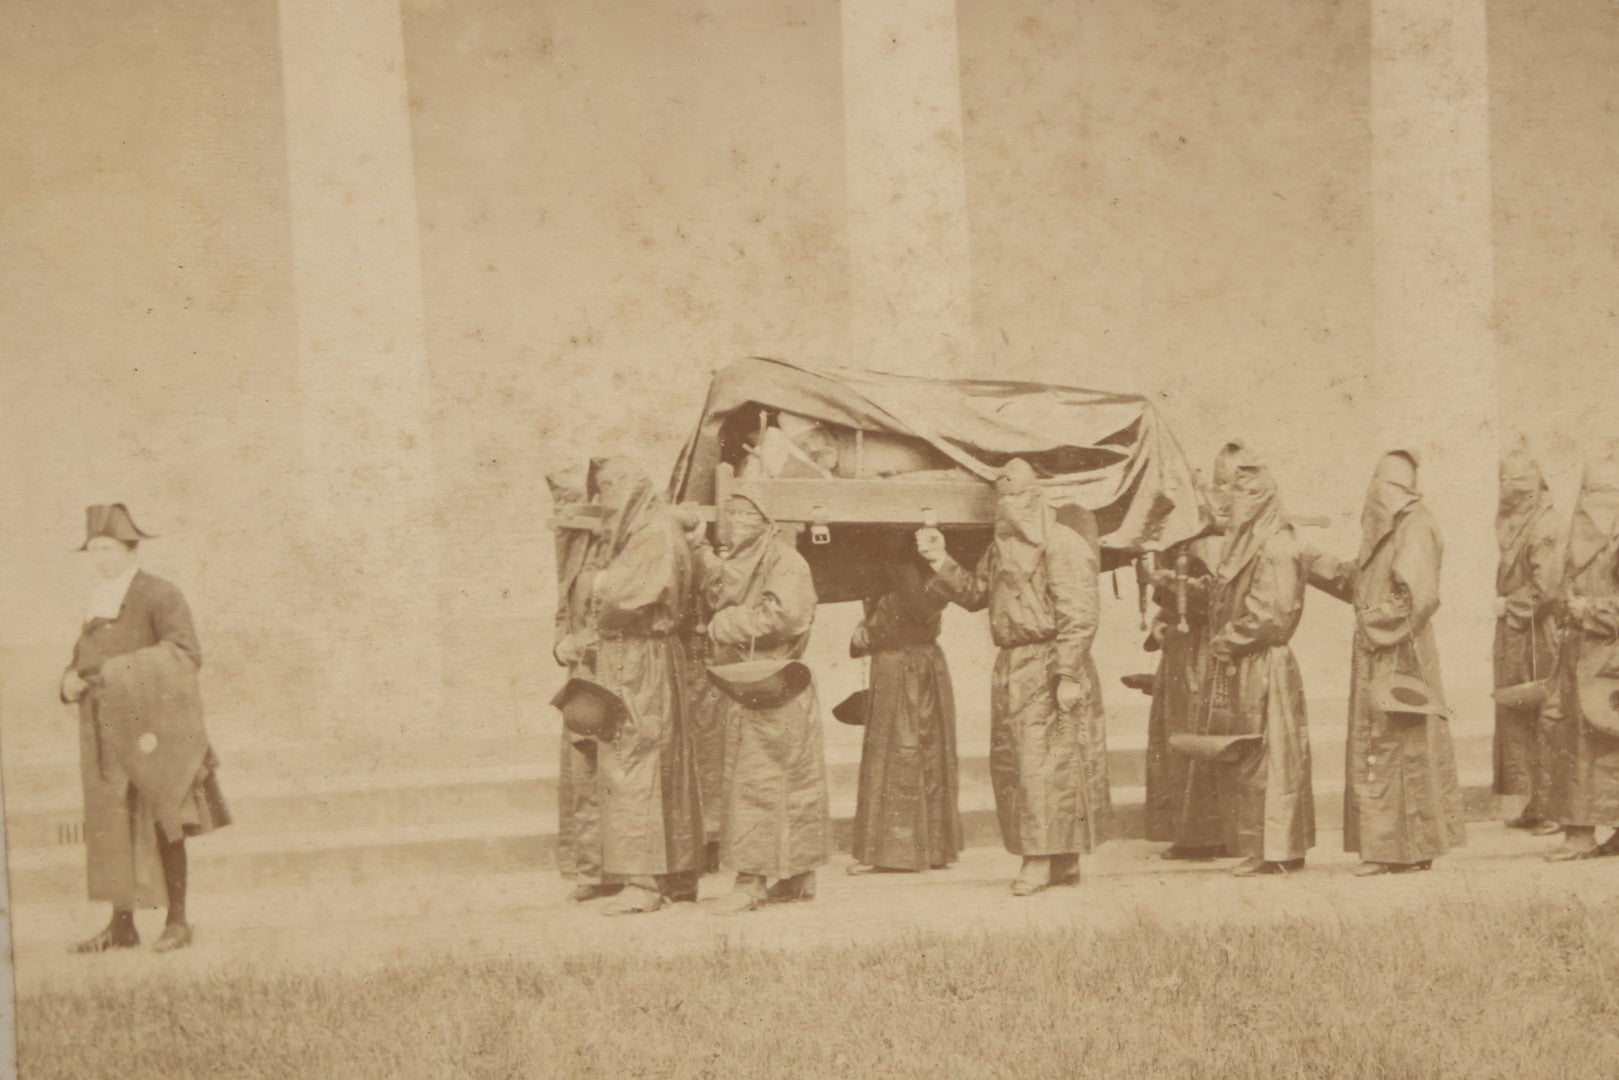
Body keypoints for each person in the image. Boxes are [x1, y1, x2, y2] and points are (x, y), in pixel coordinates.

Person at [917, 458, 1111, 895]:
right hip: (1013, 667)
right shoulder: (1001, 550)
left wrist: (1067, 673)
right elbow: (975, 594)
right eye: (1003, 501)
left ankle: (1042, 860)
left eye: (1019, 498)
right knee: (1019, 767)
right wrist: (939, 558)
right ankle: (1059, 861)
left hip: (1051, 664)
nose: (1011, 509)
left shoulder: (1062, 544)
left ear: (1037, 498)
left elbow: (1080, 616)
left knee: (1046, 767)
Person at [59, 504, 230, 953]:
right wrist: (68, 679)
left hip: (155, 732)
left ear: (130, 549)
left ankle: (178, 921)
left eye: (109, 548)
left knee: (165, 820)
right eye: (94, 549)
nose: (101, 558)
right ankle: (122, 926)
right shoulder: (98, 598)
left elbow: (185, 653)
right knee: (113, 822)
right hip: (104, 733)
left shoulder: (160, 594)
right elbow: (84, 658)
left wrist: (114, 674)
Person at [1308, 451, 1465, 875]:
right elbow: (1361, 582)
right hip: (1383, 649)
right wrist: (1309, 561)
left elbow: (1420, 597)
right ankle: (1396, 849)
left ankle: (1403, 850)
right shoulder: (1389, 530)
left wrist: (1375, 623)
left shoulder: (1415, 525)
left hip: (1401, 652)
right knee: (1383, 745)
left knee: (1401, 745)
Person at [688, 486, 830, 912]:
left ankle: (752, 881)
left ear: (767, 517)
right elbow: (721, 585)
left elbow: (781, 616)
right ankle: (797, 877)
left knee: (763, 784)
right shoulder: (744, 560)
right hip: (752, 686)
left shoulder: (786, 560)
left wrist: (726, 623)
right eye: (730, 512)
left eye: (747, 511)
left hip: (776, 684)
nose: (737, 520)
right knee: (774, 783)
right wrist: (699, 546)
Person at [574, 457, 705, 915]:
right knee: (653, 757)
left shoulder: (651, 532)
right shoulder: (647, 529)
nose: (607, 493)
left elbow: (622, 595)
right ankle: (672, 876)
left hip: (638, 654)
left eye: (614, 483)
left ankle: (644, 882)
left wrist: (595, 584)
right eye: (602, 485)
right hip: (643, 654)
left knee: (633, 758)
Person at [1206, 446, 1314, 876]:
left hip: (1263, 661)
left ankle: (1275, 849)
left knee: (1269, 755)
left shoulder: (1274, 546)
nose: (1234, 505)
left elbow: (1271, 614)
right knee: (1260, 754)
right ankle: (1273, 847)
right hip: (1250, 661)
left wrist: (1228, 640)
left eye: (1243, 495)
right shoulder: (1252, 542)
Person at [1142, 448, 1240, 860]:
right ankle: (1191, 830)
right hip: (1185, 649)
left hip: (1205, 651)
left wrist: (1159, 577)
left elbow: (1213, 597)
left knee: (1199, 736)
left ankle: (1205, 835)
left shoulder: (1217, 532)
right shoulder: (1190, 527)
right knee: (1181, 735)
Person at [847, 535, 963, 875]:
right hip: (923, 669)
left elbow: (882, 630)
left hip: (901, 672)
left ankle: (896, 854)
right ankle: (933, 849)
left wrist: (864, 633)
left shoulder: (898, 588)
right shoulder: (918, 587)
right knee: (925, 754)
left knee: (898, 754)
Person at [1538, 440, 1619, 861]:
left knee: (1604, 744)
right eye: (1591, 494)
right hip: (1575, 653)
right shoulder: (1574, 538)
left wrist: (1591, 610)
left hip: (1609, 657)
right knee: (1571, 739)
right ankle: (1579, 829)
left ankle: (1585, 833)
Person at [548, 468, 616, 903]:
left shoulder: (620, 552)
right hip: (581, 676)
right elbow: (563, 614)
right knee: (582, 774)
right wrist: (560, 647)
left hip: (614, 670)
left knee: (612, 772)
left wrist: (587, 641)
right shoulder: (571, 554)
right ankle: (590, 869)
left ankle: (620, 868)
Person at [1493, 438, 1564, 835]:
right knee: (1520, 714)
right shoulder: (1520, 520)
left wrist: (1511, 606)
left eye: (1514, 480)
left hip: (1540, 632)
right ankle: (1537, 803)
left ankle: (1553, 808)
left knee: (1545, 715)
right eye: (1503, 479)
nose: (1506, 488)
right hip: (1519, 634)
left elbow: (1548, 588)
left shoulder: (1545, 523)